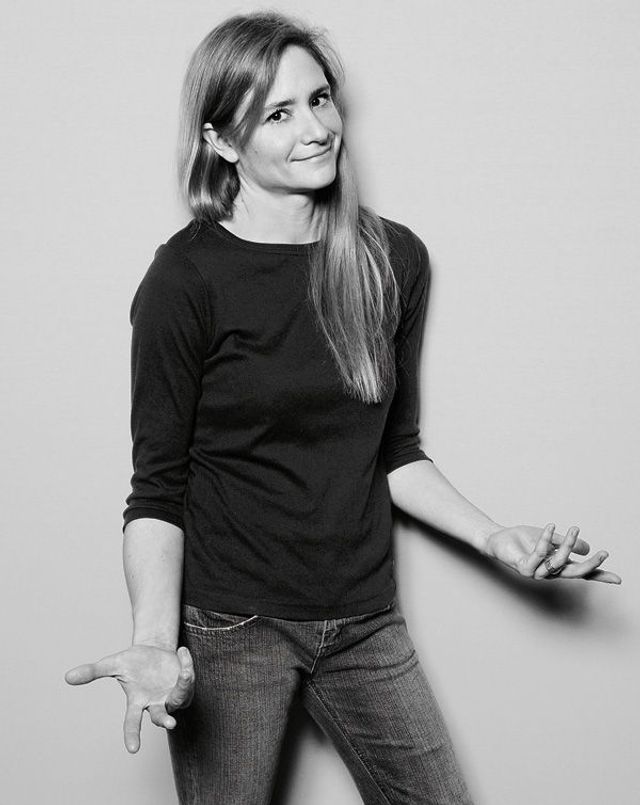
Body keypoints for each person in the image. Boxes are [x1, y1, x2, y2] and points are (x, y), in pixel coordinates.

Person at [65, 11, 621, 805]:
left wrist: (496, 536)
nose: (316, 129)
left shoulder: (392, 258)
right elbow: (156, 487)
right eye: (277, 114)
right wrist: (155, 640)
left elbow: (394, 450)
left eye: (319, 99)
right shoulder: (185, 280)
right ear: (222, 141)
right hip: (232, 627)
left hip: (363, 617)